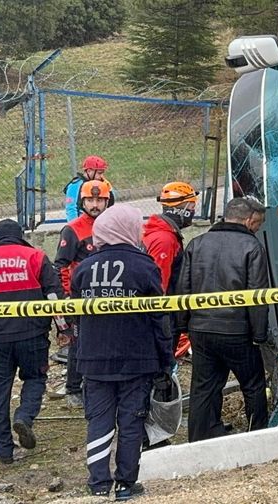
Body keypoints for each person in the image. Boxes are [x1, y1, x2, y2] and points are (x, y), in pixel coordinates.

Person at [72, 204, 173, 499]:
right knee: (131, 421)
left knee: (99, 420)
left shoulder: (84, 269)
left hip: (93, 360)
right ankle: (127, 484)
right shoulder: (145, 266)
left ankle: (98, 483)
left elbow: (76, 316)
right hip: (136, 359)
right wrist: (165, 360)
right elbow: (159, 317)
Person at [0, 220, 71, 464]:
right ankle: (24, 415)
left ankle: (4, 450)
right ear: (20, 236)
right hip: (32, 335)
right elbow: (54, 296)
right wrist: (63, 329)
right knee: (35, 378)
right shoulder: (35, 257)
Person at [177, 197, 270, 441]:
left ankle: (199, 438)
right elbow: (257, 295)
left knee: (203, 388)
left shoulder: (196, 244)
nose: (258, 229)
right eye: (258, 224)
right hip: (237, 331)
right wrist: (259, 334)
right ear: (249, 220)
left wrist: (181, 325)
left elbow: (183, 289)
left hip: (201, 329)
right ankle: (257, 436)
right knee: (253, 385)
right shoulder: (252, 247)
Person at [54, 179, 110, 408]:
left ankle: (99, 385)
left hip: (108, 296)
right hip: (80, 300)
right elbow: (60, 266)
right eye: (90, 200)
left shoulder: (112, 226)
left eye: (100, 200)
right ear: (82, 201)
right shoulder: (73, 229)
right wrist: (67, 299)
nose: (95, 205)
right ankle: (73, 388)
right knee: (78, 344)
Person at [142, 181, 198, 352]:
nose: (193, 211)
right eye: (192, 206)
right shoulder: (165, 239)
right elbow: (159, 283)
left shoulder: (163, 233)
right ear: (184, 206)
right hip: (163, 314)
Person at [63, 155, 115, 222]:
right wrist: (74, 227)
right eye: (99, 173)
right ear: (89, 171)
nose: (102, 176)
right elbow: (71, 209)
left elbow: (111, 201)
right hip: (82, 223)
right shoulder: (75, 185)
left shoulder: (102, 183)